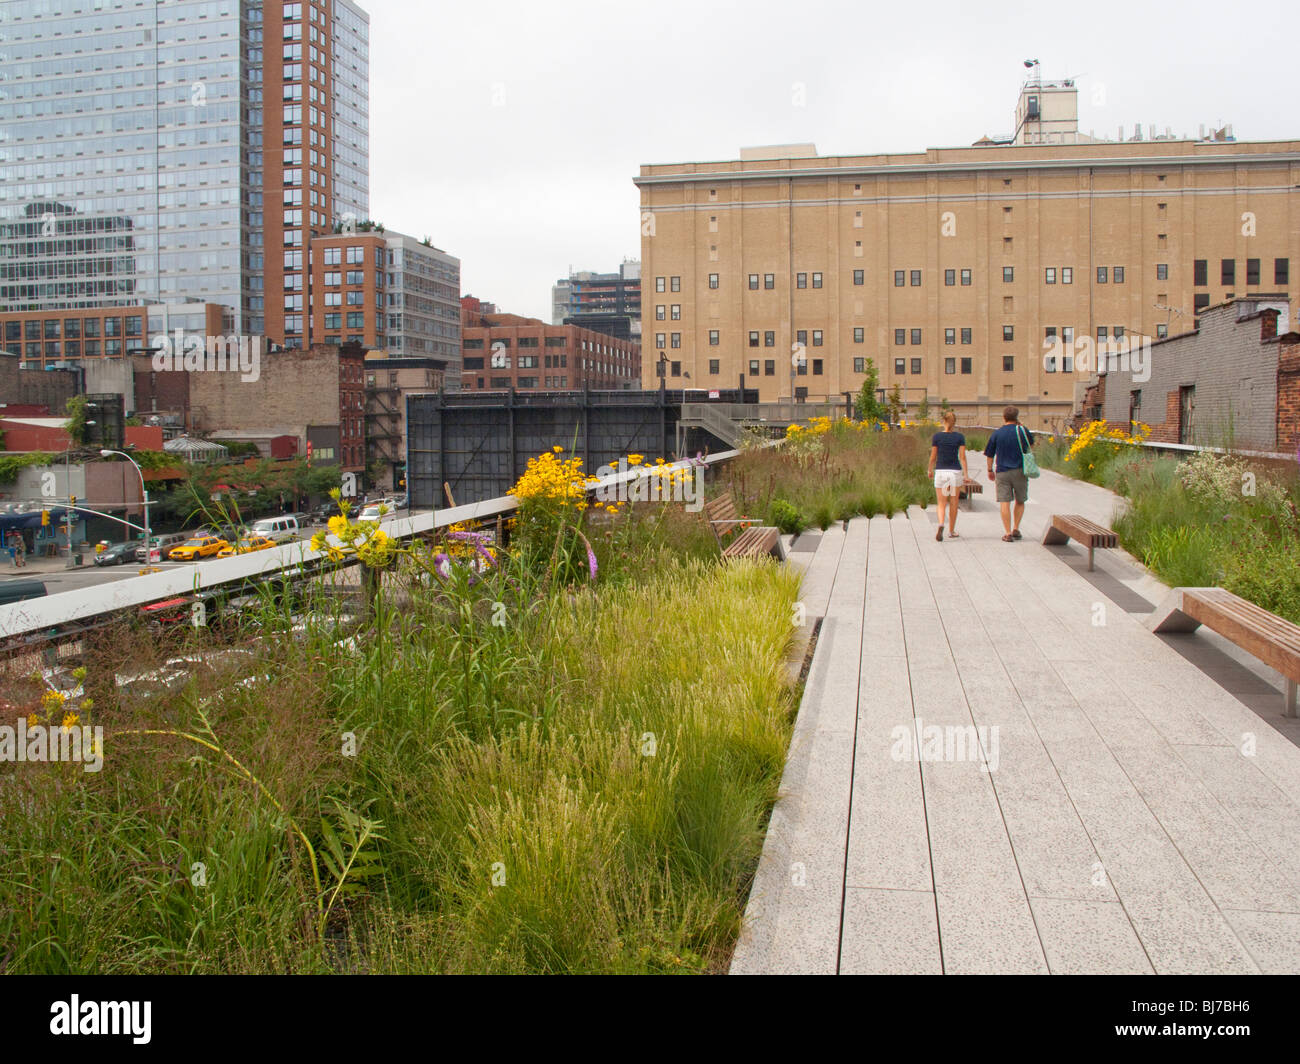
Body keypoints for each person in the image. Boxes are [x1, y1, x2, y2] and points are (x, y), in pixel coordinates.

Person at [984, 406, 1034, 542]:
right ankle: (1016, 528)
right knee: (1020, 500)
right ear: (1017, 417)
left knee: (1004, 502)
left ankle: (1007, 533)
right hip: (1020, 470)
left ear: (1004, 417)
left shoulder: (997, 433)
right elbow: (1031, 446)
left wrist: (989, 470)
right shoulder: (1023, 431)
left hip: (1002, 472)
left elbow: (989, 454)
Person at [927, 410, 968, 542]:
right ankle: (951, 530)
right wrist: (966, 474)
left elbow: (933, 457)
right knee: (954, 502)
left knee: (941, 503)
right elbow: (962, 457)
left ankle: (940, 524)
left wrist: (929, 470)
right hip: (954, 472)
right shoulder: (959, 437)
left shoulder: (937, 437)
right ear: (955, 423)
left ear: (943, 421)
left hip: (941, 472)